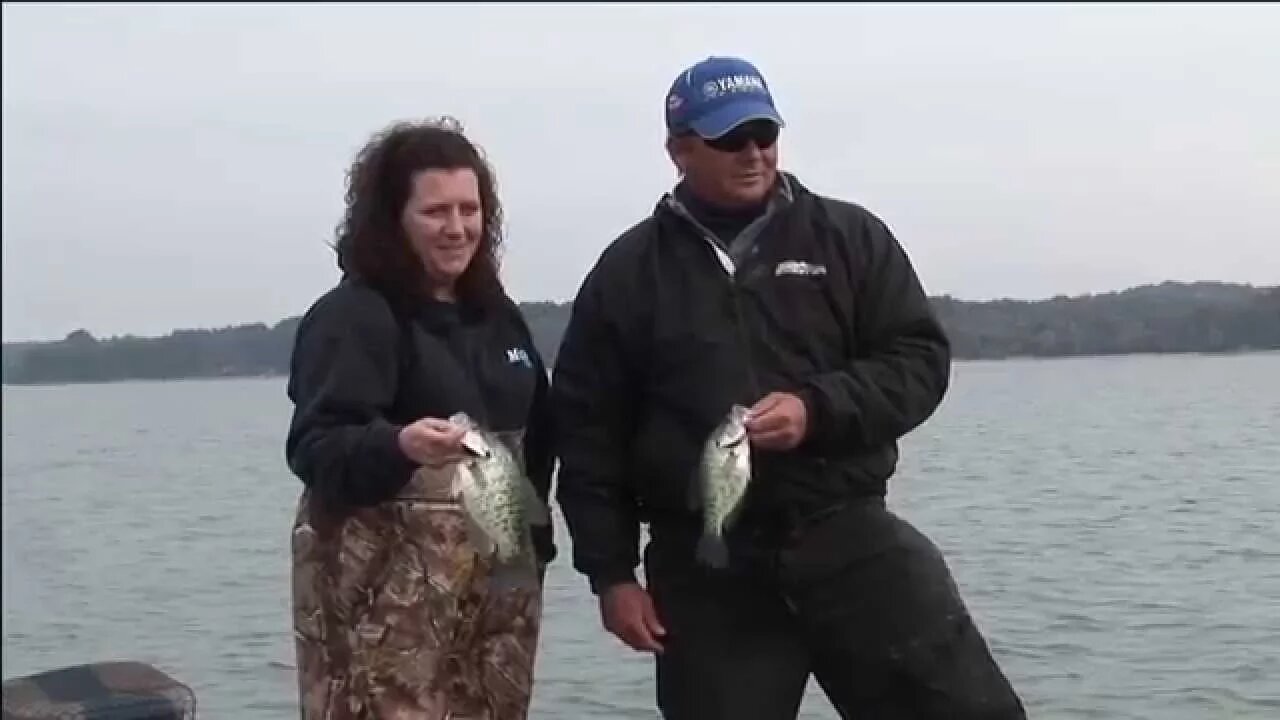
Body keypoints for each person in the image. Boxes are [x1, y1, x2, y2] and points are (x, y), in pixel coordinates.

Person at [551, 56, 1026, 719]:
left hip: (851, 535)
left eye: (764, 135)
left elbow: (918, 360)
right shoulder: (627, 272)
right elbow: (587, 433)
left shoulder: (851, 237)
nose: (753, 154)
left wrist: (817, 409)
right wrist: (610, 574)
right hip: (706, 567)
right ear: (678, 150)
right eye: (729, 140)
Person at [283, 117, 556, 720]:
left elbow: (539, 443)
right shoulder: (354, 317)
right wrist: (397, 444)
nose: (457, 228)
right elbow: (316, 447)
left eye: (469, 209)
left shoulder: (498, 317)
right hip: (384, 616)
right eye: (436, 212)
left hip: (498, 599)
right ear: (393, 219)